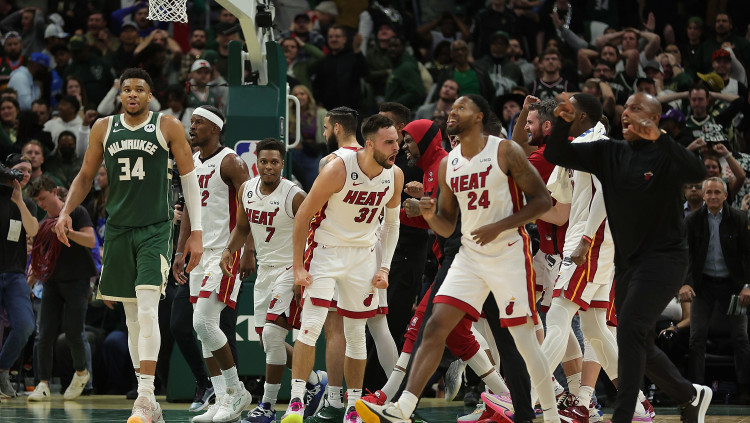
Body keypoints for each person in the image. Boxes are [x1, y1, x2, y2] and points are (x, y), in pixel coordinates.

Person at [356, 94, 558, 423]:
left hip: (507, 252)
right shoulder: (449, 164)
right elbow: (447, 226)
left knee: (519, 342)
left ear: (478, 117)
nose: (451, 113)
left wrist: (500, 225)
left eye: (460, 108)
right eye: (451, 109)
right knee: (435, 325)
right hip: (468, 256)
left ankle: (544, 414)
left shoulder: (504, 150)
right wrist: (428, 213)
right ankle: (402, 407)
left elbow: (542, 202)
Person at [545, 92, 712, 423]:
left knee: (624, 328)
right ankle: (686, 395)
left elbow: (696, 169)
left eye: (637, 108)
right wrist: (563, 123)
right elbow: (557, 152)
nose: (627, 112)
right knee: (623, 335)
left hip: (664, 258)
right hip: (626, 260)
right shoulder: (612, 151)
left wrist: (660, 138)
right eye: (626, 107)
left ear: (654, 118)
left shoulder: (663, 154)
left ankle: (533, 396)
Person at [53, 68, 203, 423]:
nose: (132, 94)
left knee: (148, 307)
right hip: (119, 230)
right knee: (132, 316)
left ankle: (145, 397)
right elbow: (86, 176)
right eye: (126, 89)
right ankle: (147, 398)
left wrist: (195, 232)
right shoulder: (103, 127)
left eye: (139, 89)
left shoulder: (167, 126)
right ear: (120, 95)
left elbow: (189, 179)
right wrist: (65, 211)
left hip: (155, 228)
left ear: (150, 96)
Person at [281, 113, 404, 423]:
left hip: (363, 256)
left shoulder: (395, 175)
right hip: (326, 250)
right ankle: (296, 401)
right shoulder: (338, 168)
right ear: (370, 144)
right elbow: (303, 215)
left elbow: (392, 224)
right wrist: (298, 267)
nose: (396, 147)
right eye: (389, 142)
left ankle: (352, 407)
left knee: (356, 334)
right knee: (311, 326)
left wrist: (385, 267)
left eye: (397, 142)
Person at [219, 138, 317, 423]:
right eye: (264, 161)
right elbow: (242, 228)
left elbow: (313, 235)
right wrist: (229, 250)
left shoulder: (295, 196)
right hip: (265, 272)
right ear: (257, 163)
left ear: (282, 164)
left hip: (289, 269)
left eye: (274, 161)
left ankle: (268, 405)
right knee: (267, 342)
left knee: (274, 336)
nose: (269, 166)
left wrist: (301, 272)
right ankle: (314, 381)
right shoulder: (246, 190)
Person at [169, 105, 252, 423]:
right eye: (191, 122)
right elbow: (190, 210)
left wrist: (248, 250)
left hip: (225, 253)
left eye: (198, 122)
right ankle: (221, 397)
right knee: (202, 327)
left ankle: (236, 391)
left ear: (215, 128)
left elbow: (251, 205)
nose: (191, 127)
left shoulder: (231, 161)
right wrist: (180, 252)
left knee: (203, 323)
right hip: (200, 255)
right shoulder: (192, 162)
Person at [27, 176, 96, 402]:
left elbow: (91, 241)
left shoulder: (77, 212)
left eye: (43, 198)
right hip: (52, 280)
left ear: (55, 192)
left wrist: (67, 232)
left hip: (78, 280)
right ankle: (43, 383)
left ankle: (81, 373)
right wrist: (30, 283)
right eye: (38, 201)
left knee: (74, 332)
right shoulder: (43, 224)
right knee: (44, 334)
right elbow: (40, 258)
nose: (41, 204)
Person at [682, 177, 750, 402]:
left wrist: (747, 286)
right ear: (703, 195)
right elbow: (686, 255)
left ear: (725, 195)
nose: (712, 196)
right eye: (709, 192)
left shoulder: (739, 218)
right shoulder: (692, 220)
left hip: (733, 286)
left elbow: (748, 254)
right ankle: (696, 391)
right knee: (696, 338)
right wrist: (685, 282)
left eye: (717, 192)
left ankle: (745, 388)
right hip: (704, 285)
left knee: (740, 337)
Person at [0, 154, 37, 399]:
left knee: (25, 325)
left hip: (15, 275)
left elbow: (33, 230)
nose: (25, 174)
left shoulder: (27, 203)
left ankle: (2, 369)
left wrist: (19, 201)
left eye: (29, 171)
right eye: (21, 169)